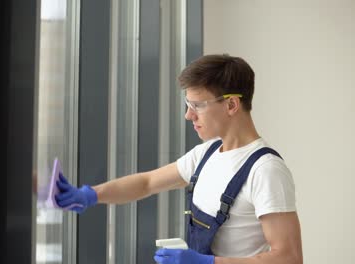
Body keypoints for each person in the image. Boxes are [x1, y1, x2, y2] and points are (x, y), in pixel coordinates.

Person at [55, 54, 303, 264]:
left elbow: (289, 257)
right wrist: (90, 195)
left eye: (198, 105)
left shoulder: (265, 170)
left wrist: (208, 262)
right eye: (188, 104)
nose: (188, 115)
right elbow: (147, 183)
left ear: (231, 105)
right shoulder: (206, 153)